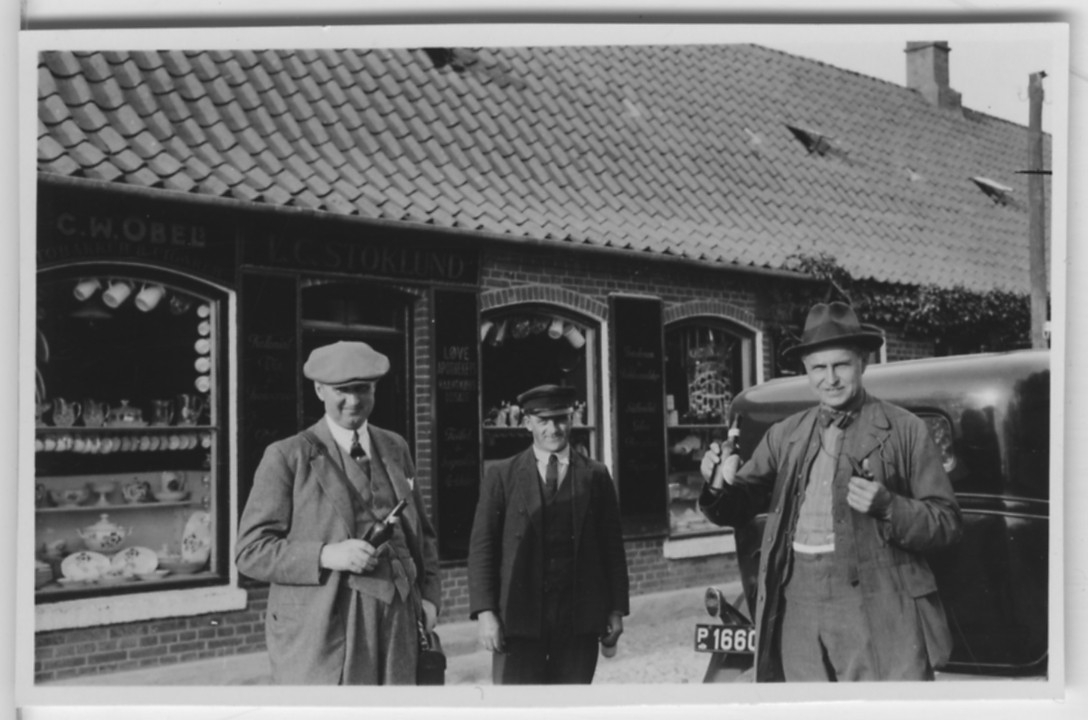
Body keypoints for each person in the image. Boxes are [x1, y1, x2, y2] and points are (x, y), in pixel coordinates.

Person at [699, 302, 962, 682]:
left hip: (874, 604)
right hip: (796, 603)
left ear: (863, 364)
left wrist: (888, 506)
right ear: (806, 371)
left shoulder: (905, 430)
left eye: (841, 365)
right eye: (819, 368)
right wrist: (718, 482)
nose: (831, 378)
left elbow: (947, 523)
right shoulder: (786, 434)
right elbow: (737, 507)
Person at [236, 340, 440, 685]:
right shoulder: (287, 457)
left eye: (363, 389)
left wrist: (431, 599)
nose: (354, 401)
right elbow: (250, 552)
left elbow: (422, 533)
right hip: (329, 628)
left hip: (399, 625)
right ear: (319, 390)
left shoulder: (395, 447)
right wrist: (327, 555)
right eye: (341, 390)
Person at [468, 384, 630, 684]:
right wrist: (486, 613)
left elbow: (612, 548)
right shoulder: (502, 475)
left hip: (577, 621)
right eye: (543, 421)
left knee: (570, 704)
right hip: (518, 620)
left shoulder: (595, 475)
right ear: (527, 423)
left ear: (571, 419)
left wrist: (616, 610)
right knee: (517, 704)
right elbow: (483, 548)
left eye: (560, 419)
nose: (553, 429)